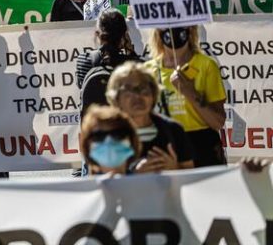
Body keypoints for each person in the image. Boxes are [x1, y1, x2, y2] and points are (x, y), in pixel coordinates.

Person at [144, 26, 227, 167]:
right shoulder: (148, 70)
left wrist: (189, 91)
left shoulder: (206, 65)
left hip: (202, 145)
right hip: (166, 146)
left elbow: (218, 122)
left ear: (190, 28)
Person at [106, 62, 194, 172]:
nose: (138, 96)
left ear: (153, 94)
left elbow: (190, 177)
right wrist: (134, 175)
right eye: (129, 90)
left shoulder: (174, 130)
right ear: (116, 98)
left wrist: (174, 168)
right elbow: (101, 183)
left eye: (144, 89)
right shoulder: (107, 136)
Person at [75, 9, 141, 115]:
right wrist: (131, 52)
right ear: (124, 36)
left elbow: (81, 87)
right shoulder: (134, 66)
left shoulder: (85, 61)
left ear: (98, 34)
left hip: (96, 126)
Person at [80, 105, 141, 176]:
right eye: (98, 136)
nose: (109, 140)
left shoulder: (149, 185)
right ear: (87, 145)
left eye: (118, 134)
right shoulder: (82, 187)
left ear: (132, 140)